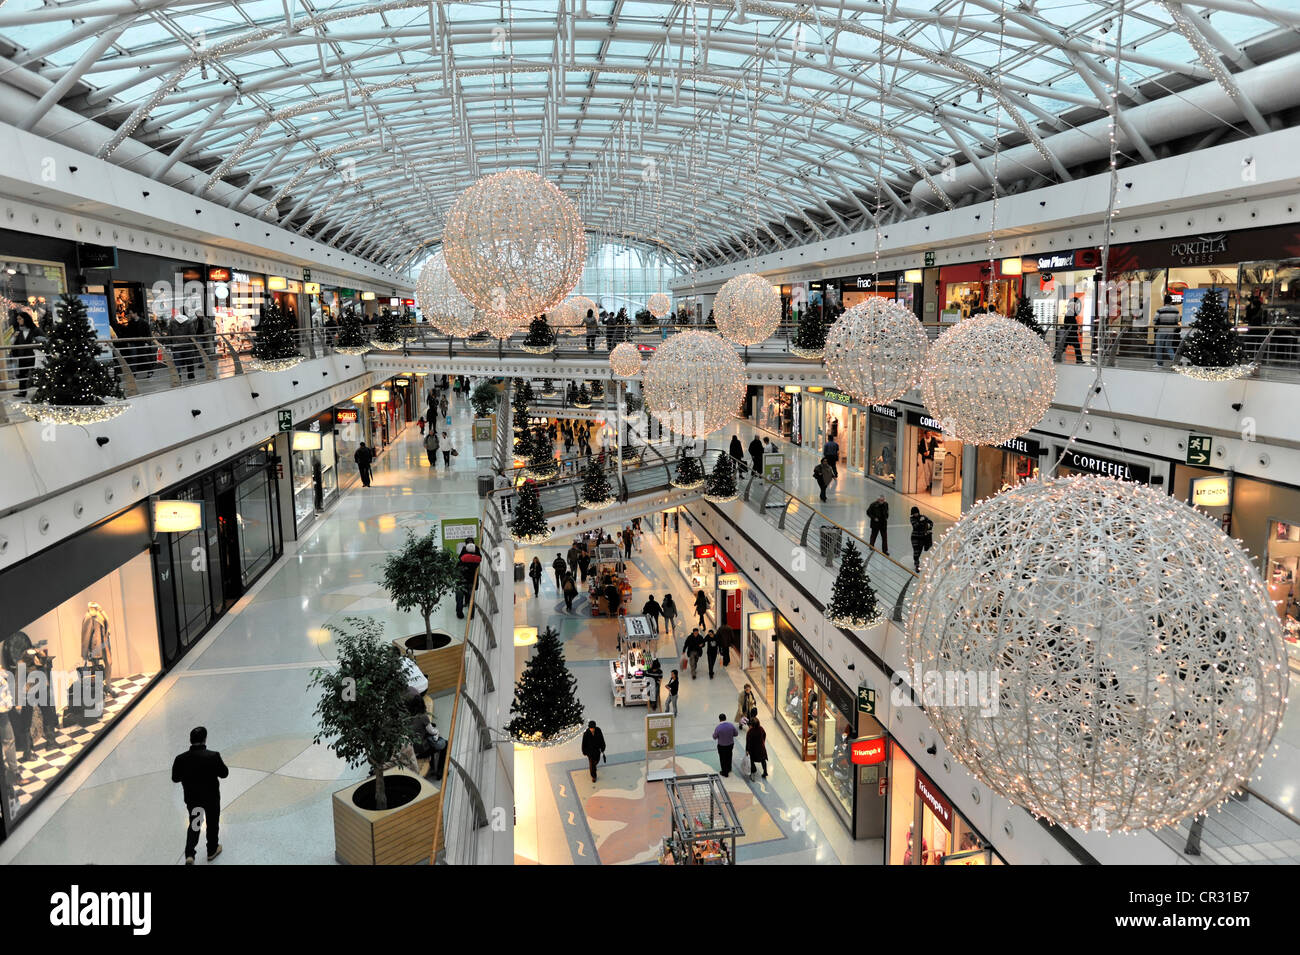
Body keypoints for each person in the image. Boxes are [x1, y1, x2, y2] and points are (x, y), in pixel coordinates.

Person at [171, 726, 229, 864]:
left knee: (195, 823)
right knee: (212, 822)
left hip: (193, 798)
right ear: (205, 739)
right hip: (211, 798)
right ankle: (212, 850)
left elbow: (175, 778)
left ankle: (190, 853)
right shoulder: (213, 756)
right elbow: (224, 773)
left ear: (191, 740)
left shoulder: (180, 759)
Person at [11, 311, 39, 397]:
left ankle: (40, 390)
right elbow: (11, 342)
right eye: (17, 319)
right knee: (22, 374)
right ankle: (22, 392)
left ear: (25, 319)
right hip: (22, 356)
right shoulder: (17, 330)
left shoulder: (35, 329)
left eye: (20, 319)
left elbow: (43, 339)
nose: (18, 320)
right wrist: (14, 336)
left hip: (33, 356)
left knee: (37, 373)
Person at [1154, 293, 1181, 368]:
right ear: (1171, 301)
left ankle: (1159, 363)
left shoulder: (1160, 310)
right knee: (1169, 346)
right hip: (1171, 331)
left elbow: (1155, 320)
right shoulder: (1176, 310)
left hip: (1161, 331)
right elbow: (1178, 320)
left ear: (1164, 301)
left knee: (1159, 347)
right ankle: (1174, 362)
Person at [456, 540, 481, 618]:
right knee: (471, 599)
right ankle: (471, 614)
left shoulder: (462, 559)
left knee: (459, 599)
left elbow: (458, 564)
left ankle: (459, 614)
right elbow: (478, 555)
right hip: (471, 582)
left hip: (461, 581)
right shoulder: (477, 560)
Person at [909, 506, 934, 572]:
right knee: (916, 551)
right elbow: (915, 526)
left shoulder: (923, 517)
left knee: (919, 551)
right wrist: (920, 522)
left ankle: (916, 560)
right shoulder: (912, 519)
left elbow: (931, 523)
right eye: (914, 513)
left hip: (922, 537)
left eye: (916, 513)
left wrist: (928, 527)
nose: (915, 514)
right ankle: (917, 565)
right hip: (915, 537)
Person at [745, 714, 769, 779]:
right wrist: (762, 742)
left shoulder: (750, 732)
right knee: (763, 760)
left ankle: (753, 772)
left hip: (753, 749)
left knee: (751, 760)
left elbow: (748, 742)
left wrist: (747, 750)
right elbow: (764, 735)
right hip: (761, 748)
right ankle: (765, 772)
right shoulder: (761, 729)